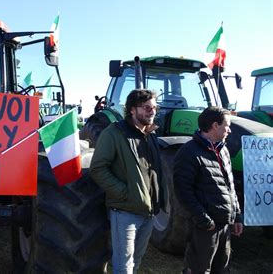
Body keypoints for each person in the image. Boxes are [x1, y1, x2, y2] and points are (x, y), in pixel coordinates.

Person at [89, 89, 166, 273]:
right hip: (125, 212)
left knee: (135, 262)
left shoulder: (150, 135)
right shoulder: (114, 133)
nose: (152, 111)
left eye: (154, 107)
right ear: (132, 109)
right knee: (123, 266)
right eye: (147, 107)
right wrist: (125, 193)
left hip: (148, 212)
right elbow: (98, 168)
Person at [173, 106, 243, 273]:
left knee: (221, 269)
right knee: (199, 269)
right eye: (227, 125)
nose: (230, 130)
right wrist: (204, 220)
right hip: (204, 228)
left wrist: (237, 215)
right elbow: (183, 192)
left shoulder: (223, 150)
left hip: (224, 224)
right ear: (215, 125)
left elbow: (229, 186)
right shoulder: (188, 153)